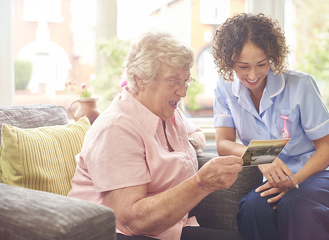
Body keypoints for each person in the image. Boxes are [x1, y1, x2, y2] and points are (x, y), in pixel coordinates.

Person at [67, 29, 243, 240]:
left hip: (169, 229)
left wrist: (190, 145)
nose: (183, 92)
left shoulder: (169, 112)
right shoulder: (116, 128)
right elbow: (131, 220)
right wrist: (201, 183)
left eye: (186, 81)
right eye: (173, 81)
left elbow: (196, 133)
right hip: (117, 233)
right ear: (141, 80)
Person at [212, 13, 329, 240]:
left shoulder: (300, 85)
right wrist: (263, 157)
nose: (253, 75)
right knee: (254, 208)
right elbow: (223, 144)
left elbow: (326, 150)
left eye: (261, 64)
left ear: (272, 56)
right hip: (281, 177)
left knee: (298, 204)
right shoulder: (224, 89)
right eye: (243, 67)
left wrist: (294, 181)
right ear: (229, 62)